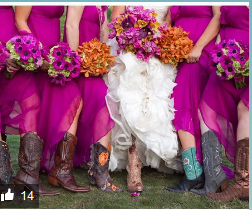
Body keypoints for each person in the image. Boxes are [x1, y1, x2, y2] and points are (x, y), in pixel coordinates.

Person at [105, 5, 183, 193]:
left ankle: (145, 156)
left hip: (156, 52)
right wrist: (133, 40)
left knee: (152, 103)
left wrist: (156, 42)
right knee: (130, 99)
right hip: (129, 51)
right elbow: (116, 21)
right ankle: (133, 165)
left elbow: (168, 24)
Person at [15, 5, 89, 193]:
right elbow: (20, 19)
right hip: (34, 54)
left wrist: (65, 58)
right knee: (32, 109)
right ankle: (28, 175)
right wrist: (36, 54)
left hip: (53, 58)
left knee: (73, 98)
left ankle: (61, 170)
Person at [0, 6, 57, 196]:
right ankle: (0, 179)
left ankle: (28, 177)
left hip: (13, 46)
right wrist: (1, 52)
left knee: (31, 102)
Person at [64, 5, 122, 192]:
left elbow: (103, 34)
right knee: (104, 100)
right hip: (78, 64)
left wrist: (103, 60)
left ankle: (98, 169)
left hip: (92, 66)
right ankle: (99, 173)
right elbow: (71, 25)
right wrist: (75, 62)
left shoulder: (102, 5)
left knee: (106, 100)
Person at [165, 6, 222, 193]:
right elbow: (168, 22)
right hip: (181, 55)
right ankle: (204, 170)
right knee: (188, 106)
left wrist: (198, 47)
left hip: (199, 53)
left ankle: (193, 174)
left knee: (180, 104)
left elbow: (218, 16)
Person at [198, 6, 249, 201]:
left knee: (245, 109)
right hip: (226, 60)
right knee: (206, 106)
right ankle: (214, 174)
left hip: (247, 57)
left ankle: (243, 183)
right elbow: (221, 21)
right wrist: (219, 52)